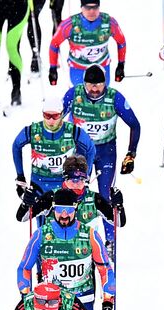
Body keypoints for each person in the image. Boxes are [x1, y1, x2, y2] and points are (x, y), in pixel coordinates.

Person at [62, 65, 139, 201]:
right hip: (81, 152)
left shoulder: (115, 98)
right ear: (84, 84)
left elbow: (135, 125)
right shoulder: (74, 94)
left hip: (106, 151)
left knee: (107, 197)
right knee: (76, 196)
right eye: (91, 85)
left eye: (99, 85)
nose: (95, 89)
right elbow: (54, 119)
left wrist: (131, 154)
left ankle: (109, 221)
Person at [48, 0, 126, 87]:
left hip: (102, 68)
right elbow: (54, 44)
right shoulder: (70, 24)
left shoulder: (108, 22)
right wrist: (53, 68)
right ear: (82, 7)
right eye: (88, 8)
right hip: (78, 69)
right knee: (82, 97)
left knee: (101, 97)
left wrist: (121, 65)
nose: (91, 11)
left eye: (95, 7)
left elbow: (121, 42)